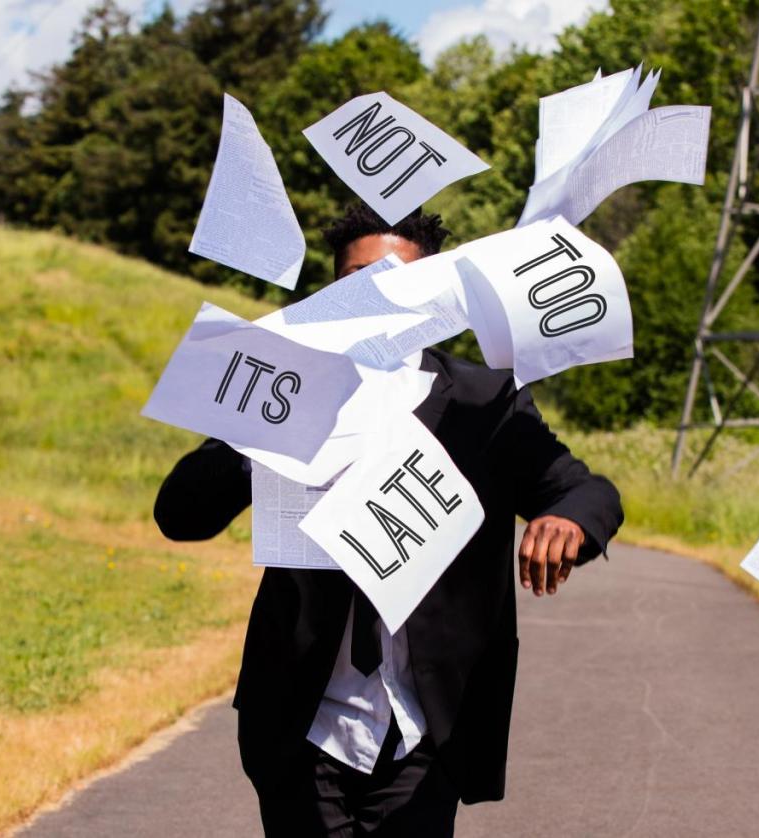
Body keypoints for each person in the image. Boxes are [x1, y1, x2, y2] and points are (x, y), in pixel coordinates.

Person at [154, 203, 624, 837]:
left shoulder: (484, 403)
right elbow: (180, 515)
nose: (375, 296)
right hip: (305, 723)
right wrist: (252, 436)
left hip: (426, 730)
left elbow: (585, 490)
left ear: (433, 296)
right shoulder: (286, 390)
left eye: (398, 280)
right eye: (355, 282)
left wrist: (569, 522)